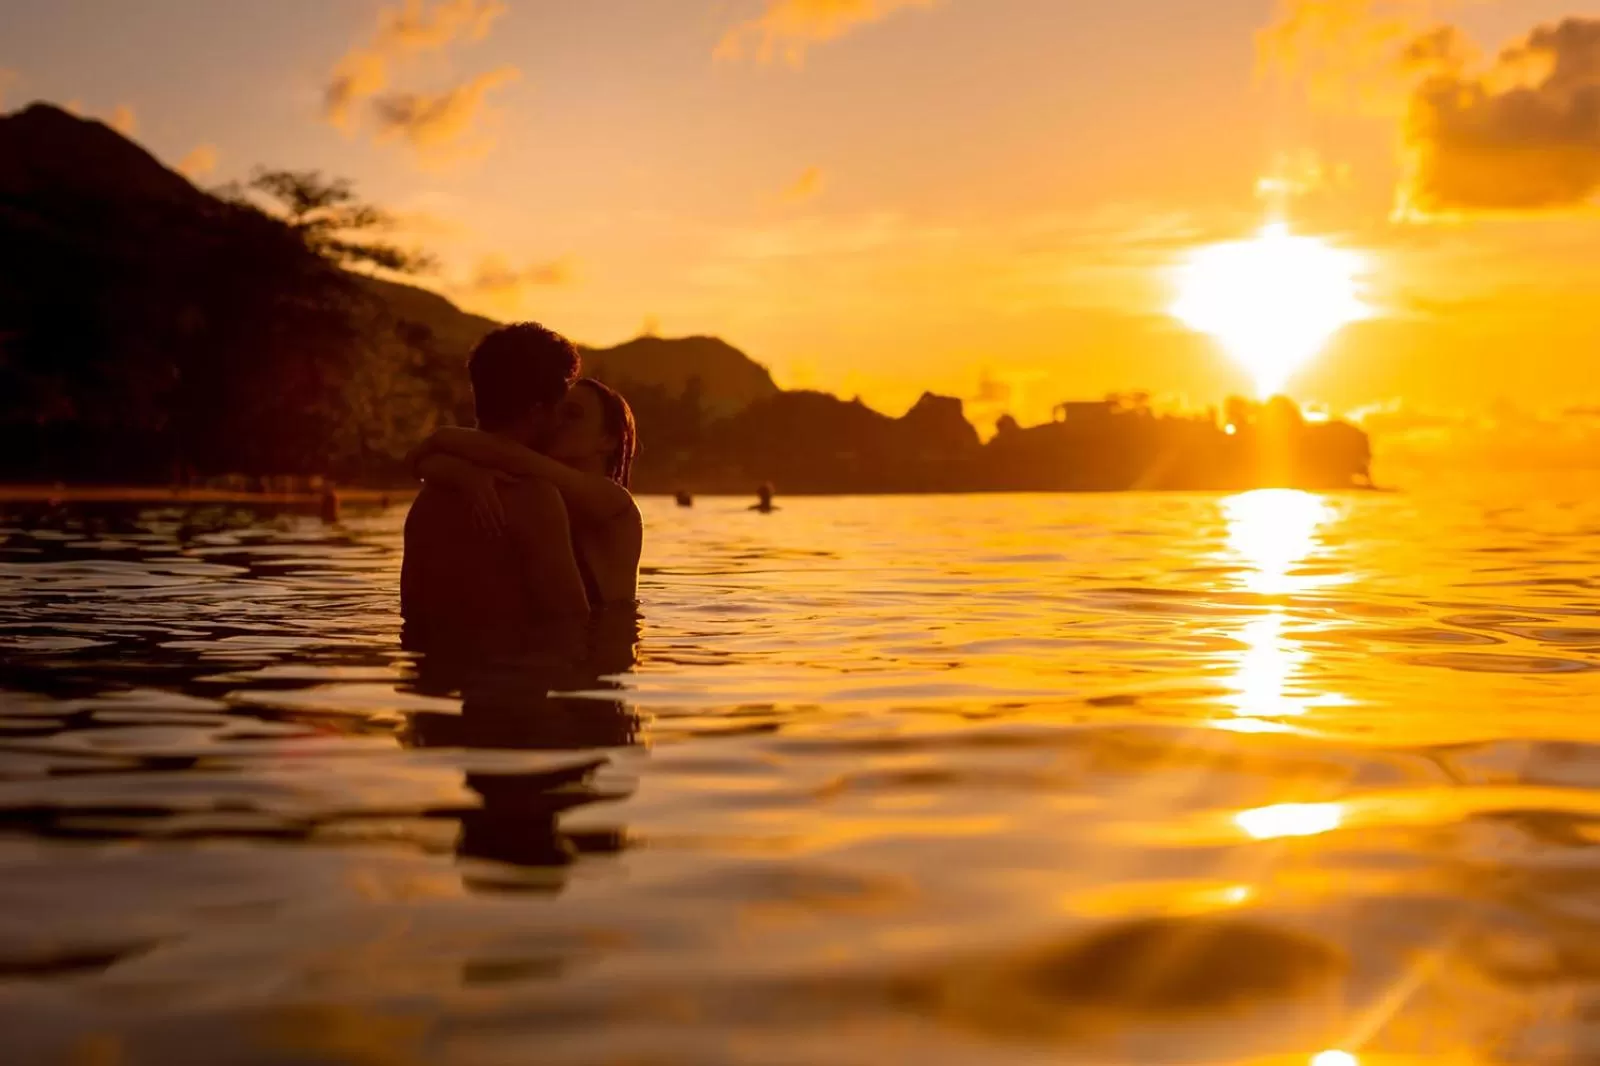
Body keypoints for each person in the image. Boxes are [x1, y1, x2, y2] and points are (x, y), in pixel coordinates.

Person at [400, 322, 591, 651]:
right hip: (512, 689)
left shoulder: (429, 498)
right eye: (561, 409)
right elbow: (572, 623)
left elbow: (416, 621)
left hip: (438, 688)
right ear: (537, 411)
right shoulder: (532, 498)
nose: (561, 422)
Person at [410, 377, 642, 609]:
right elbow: (422, 463)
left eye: (572, 414)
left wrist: (439, 438)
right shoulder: (535, 491)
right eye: (556, 412)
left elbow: (510, 455)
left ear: (607, 440)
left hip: (602, 639)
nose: (556, 422)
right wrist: (463, 474)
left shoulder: (616, 503)